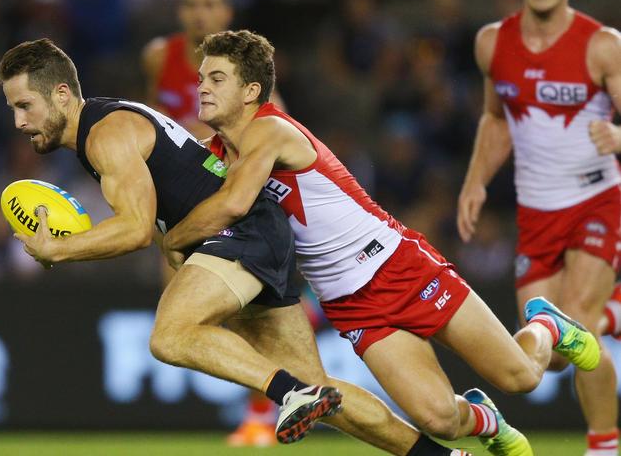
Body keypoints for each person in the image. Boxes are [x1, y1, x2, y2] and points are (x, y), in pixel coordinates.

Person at [0, 38, 475, 456]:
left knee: (170, 336)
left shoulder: (106, 134)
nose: (19, 122)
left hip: (240, 232)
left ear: (61, 93)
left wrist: (58, 250)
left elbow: (136, 229)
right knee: (323, 390)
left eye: (25, 106)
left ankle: (288, 392)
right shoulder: (104, 129)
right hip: (255, 234)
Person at [161, 28, 601, 456]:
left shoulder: (271, 130)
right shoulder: (218, 150)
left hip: (398, 266)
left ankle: (547, 324)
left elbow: (234, 204)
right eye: (201, 78)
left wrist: (172, 241)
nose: (202, 88)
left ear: (251, 90)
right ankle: (486, 419)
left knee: (520, 377)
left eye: (217, 79)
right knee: (440, 420)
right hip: (350, 303)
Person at [456, 0, 621, 455]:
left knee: (580, 323)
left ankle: (604, 446)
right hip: (536, 214)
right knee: (550, 357)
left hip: (597, 202)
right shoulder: (492, 43)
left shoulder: (603, 46)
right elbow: (494, 118)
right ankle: (615, 313)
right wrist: (475, 181)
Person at [140, 0, 284, 444]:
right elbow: (147, 124)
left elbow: (276, 123)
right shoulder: (160, 56)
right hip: (173, 210)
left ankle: (262, 412)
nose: (198, 12)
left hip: (227, 207)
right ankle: (266, 402)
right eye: (190, 3)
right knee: (182, 319)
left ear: (226, 14)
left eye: (208, 3)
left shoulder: (246, 77)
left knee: (236, 314)